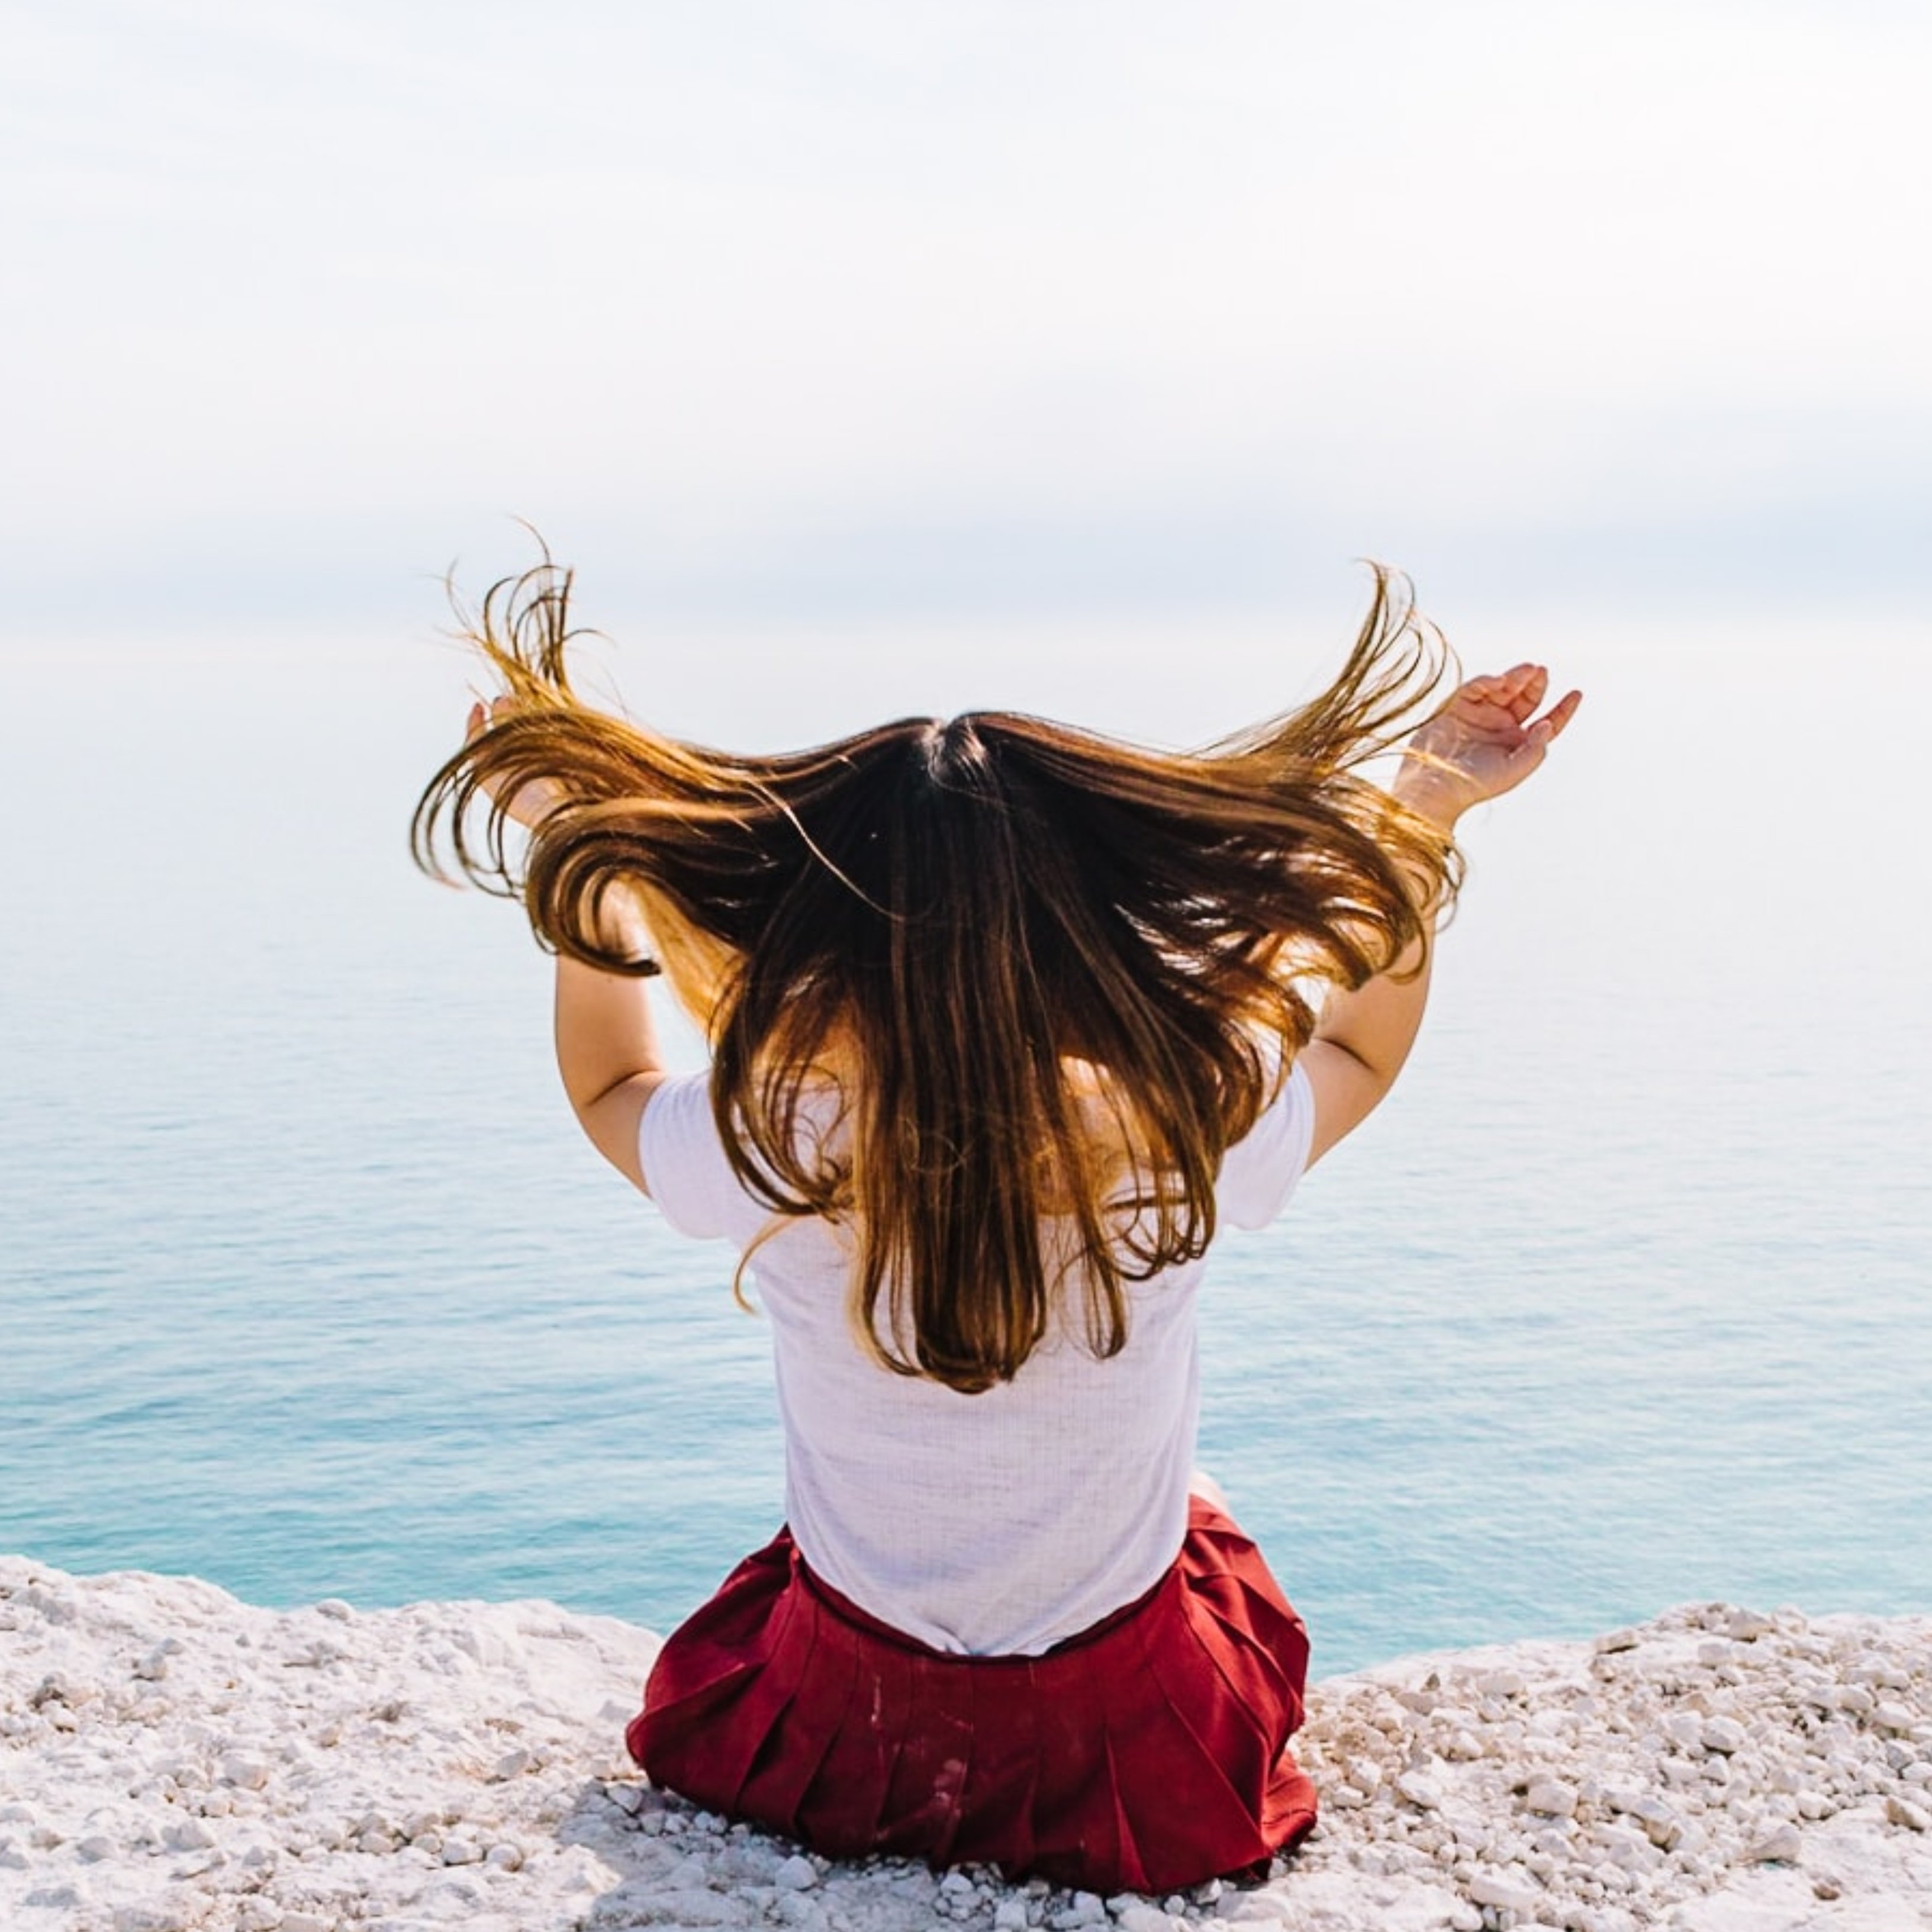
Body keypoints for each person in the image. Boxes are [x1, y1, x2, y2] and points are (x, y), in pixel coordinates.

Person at [413, 557, 1580, 1894]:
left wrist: (583, 859)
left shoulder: (781, 1133)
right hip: (1131, 1756)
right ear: (1107, 929)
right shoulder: (1180, 1119)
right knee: (1201, 1523)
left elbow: (611, 1084)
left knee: (828, 1565)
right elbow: (1358, 1050)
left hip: (843, 1741)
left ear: (815, 937)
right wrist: (1423, 803)